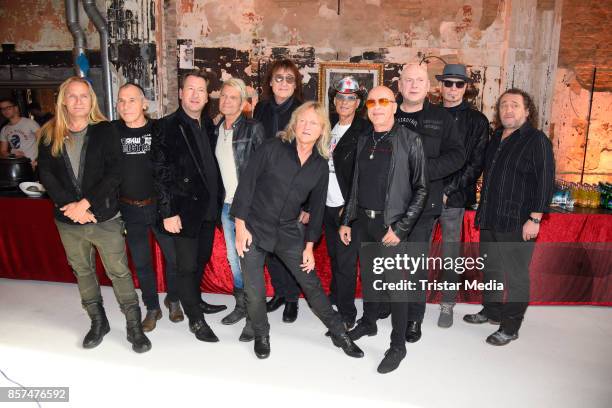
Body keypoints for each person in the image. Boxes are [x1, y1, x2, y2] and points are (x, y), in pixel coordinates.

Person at [231, 101, 364, 360]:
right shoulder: (272, 148)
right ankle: (261, 333)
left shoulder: (320, 165)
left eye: (313, 123)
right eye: (302, 120)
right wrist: (239, 226)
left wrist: (310, 247)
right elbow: (246, 185)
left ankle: (340, 333)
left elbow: (316, 209)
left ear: (322, 129)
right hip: (254, 227)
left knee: (311, 285)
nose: (306, 126)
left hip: (288, 231)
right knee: (255, 291)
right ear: (294, 123)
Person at [37, 76, 150, 353]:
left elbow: (115, 173)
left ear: (92, 101)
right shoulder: (50, 132)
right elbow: (46, 175)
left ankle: (134, 326)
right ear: (63, 100)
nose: (78, 101)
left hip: (104, 217)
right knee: (83, 271)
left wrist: (85, 204)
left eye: (83, 96)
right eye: (72, 96)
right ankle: (98, 322)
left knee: (119, 272)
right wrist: (72, 208)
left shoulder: (105, 131)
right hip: (68, 220)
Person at [341, 86, 428, 373]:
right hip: (364, 223)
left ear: (394, 106)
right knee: (369, 278)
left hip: (392, 226)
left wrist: (401, 228)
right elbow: (355, 184)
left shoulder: (410, 139)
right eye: (372, 102)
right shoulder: (365, 138)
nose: (377, 107)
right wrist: (347, 220)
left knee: (396, 286)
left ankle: (398, 345)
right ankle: (368, 323)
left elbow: (421, 189)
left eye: (383, 101)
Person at [464, 88, 554, 346]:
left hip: (518, 221)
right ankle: (491, 310)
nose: (508, 109)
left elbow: (545, 182)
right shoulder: (496, 138)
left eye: (515, 105)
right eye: (504, 105)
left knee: (516, 275)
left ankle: (511, 326)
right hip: (491, 217)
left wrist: (535, 219)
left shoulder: (536, 140)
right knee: (491, 269)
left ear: (527, 111)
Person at [152, 69, 225, 343]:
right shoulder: (165, 126)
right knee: (186, 266)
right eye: (190, 89)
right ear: (181, 94)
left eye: (201, 90)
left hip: (206, 210)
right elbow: (159, 173)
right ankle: (195, 319)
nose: (195, 95)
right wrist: (168, 211)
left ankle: (195, 300)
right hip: (181, 212)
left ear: (207, 98)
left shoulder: (207, 125)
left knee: (201, 260)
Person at [394, 62, 465, 342]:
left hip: (424, 205)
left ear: (427, 87)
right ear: (399, 85)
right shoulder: (387, 114)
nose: (413, 85)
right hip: (389, 204)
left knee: (415, 264)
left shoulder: (442, 119)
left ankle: (414, 318)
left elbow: (457, 155)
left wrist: (423, 170)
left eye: (419, 81)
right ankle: (391, 306)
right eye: (408, 80)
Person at [114, 82, 183, 332]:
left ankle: (173, 299)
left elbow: (172, 171)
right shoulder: (111, 132)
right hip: (130, 209)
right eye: (121, 100)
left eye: (132, 100)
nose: (126, 105)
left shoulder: (159, 130)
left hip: (159, 208)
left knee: (174, 259)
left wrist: (172, 208)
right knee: (142, 263)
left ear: (144, 104)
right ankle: (152, 307)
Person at [433, 64, 489, 327]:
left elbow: (476, 163)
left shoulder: (477, 121)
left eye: (459, 84)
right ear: (440, 86)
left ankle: (447, 305)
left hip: (452, 198)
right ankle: (408, 302)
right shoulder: (428, 113)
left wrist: (448, 191)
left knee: (450, 253)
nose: (453, 89)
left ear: (466, 88)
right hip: (422, 194)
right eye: (448, 83)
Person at [253, 59, 304, 323]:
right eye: (279, 78)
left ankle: (293, 299)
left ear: (295, 85)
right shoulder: (260, 109)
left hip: (292, 189)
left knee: (290, 248)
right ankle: (281, 293)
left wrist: (305, 203)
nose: (283, 83)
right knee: (270, 247)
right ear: (270, 82)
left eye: (289, 79)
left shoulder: (302, 111)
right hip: (265, 190)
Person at [212, 78, 264, 328]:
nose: (226, 101)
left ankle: (255, 316)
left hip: (250, 208)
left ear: (243, 102)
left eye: (233, 97)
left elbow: (265, 169)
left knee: (249, 261)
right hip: (226, 207)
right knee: (234, 260)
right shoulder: (216, 129)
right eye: (223, 96)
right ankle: (241, 305)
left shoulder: (254, 128)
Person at [324, 76, 370, 330]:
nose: (344, 102)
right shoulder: (328, 125)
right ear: (334, 100)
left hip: (347, 207)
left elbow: (363, 174)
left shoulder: (364, 130)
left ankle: (347, 311)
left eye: (350, 98)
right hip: (326, 204)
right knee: (334, 255)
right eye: (340, 97)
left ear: (358, 102)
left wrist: (349, 211)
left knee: (345, 261)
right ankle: (336, 294)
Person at [0, 98, 40, 165]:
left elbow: (42, 143)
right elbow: (3, 151)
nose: (5, 111)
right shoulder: (4, 129)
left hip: (32, 163)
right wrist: (12, 155)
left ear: (16, 108)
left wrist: (38, 160)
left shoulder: (29, 123)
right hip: (16, 165)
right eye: (2, 109)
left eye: (8, 107)